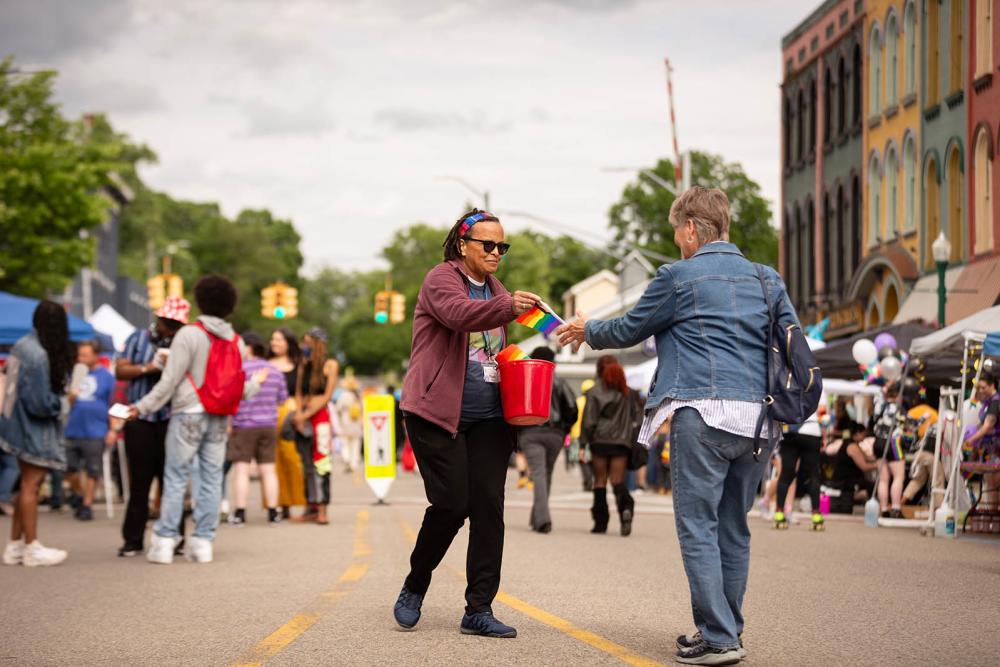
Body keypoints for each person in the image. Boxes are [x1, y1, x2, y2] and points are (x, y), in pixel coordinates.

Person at [557, 187, 798, 664]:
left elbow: (630, 328)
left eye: (676, 233)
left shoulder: (679, 277)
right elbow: (791, 340)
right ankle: (727, 628)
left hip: (702, 413)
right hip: (759, 421)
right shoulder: (767, 279)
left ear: (691, 229)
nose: (676, 242)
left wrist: (588, 329)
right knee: (733, 527)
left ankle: (718, 636)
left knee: (697, 526)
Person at [393, 208, 542, 638]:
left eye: (502, 246)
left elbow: (495, 342)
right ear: (463, 245)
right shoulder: (441, 279)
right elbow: (459, 315)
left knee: (488, 510)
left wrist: (555, 329)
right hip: (438, 412)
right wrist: (506, 306)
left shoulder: (497, 289)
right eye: (488, 245)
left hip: (490, 418)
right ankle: (415, 583)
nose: (497, 253)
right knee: (452, 504)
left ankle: (479, 608)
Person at [129, 275, 266, 565]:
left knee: (176, 476)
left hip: (188, 413)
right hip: (219, 416)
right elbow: (240, 386)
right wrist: (255, 385)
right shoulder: (237, 341)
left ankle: (165, 541)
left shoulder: (189, 334)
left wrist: (140, 407)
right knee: (212, 477)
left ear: (200, 300)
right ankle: (203, 541)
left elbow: (170, 380)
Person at [1, 301, 74, 567]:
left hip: (14, 425)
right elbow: (41, 404)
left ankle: (15, 545)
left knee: (24, 486)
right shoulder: (40, 355)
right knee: (31, 486)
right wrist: (63, 402)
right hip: (34, 430)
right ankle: (31, 546)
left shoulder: (20, 346)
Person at [115, 297, 189, 557]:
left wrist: (174, 368)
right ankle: (133, 540)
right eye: (167, 322)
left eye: (175, 325)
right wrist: (150, 367)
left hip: (171, 419)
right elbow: (120, 370)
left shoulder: (184, 343)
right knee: (140, 482)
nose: (169, 328)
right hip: (140, 420)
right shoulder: (138, 338)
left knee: (172, 481)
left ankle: (175, 537)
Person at [228, 332, 287, 525]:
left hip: (243, 425)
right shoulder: (275, 371)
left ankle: (240, 513)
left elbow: (232, 397)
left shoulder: (239, 369)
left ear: (248, 347)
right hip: (268, 425)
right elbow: (282, 400)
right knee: (269, 470)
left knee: (242, 470)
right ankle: (273, 512)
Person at [519, 346, 577, 534]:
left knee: (538, 474)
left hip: (530, 432)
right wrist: (564, 430)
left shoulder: (525, 378)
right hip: (555, 434)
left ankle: (542, 520)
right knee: (546, 473)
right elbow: (572, 409)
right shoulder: (560, 382)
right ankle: (537, 517)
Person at [579, 355, 638, 537]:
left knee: (600, 481)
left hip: (600, 441)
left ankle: (600, 523)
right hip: (621, 442)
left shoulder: (594, 392)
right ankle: (626, 509)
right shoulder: (630, 394)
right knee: (617, 480)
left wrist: (583, 444)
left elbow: (589, 421)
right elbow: (636, 419)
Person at [63, 341, 115, 521]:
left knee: (93, 470)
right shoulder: (76, 374)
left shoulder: (106, 377)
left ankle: (87, 504)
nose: (81, 358)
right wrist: (71, 396)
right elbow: (68, 403)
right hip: (73, 428)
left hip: (96, 430)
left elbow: (113, 404)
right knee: (68, 468)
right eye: (80, 355)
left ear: (95, 355)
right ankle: (79, 494)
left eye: (85, 354)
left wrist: (113, 429)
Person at [292, 327, 338, 525]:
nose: (305, 346)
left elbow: (326, 396)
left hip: (319, 418)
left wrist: (305, 414)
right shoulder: (304, 363)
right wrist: (299, 414)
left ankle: (322, 509)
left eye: (308, 342)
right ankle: (309, 506)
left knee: (322, 463)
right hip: (303, 417)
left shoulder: (330, 365)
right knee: (306, 464)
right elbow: (298, 392)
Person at [268, 328, 306, 519]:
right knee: (272, 462)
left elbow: (300, 392)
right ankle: (277, 504)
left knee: (292, 459)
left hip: (290, 415)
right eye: (273, 339)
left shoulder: (298, 365)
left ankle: (293, 501)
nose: (274, 343)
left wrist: (299, 415)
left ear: (288, 343)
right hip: (268, 414)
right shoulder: (265, 364)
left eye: (278, 340)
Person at [772, 413, 824, 531]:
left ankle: (779, 513)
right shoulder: (820, 393)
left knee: (786, 473)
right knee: (813, 475)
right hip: (811, 431)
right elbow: (823, 414)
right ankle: (816, 515)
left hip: (790, 429)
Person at [964, 372, 999, 511]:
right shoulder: (988, 402)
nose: (981, 390)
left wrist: (971, 440)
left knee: (993, 483)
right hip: (989, 449)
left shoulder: (996, 402)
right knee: (989, 483)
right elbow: (981, 424)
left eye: (983, 387)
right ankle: (992, 516)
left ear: (992, 385)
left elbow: (988, 425)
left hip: (996, 448)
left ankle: (994, 516)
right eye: (979, 387)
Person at [871, 382, 906, 518]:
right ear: (898, 395)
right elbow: (907, 425)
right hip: (893, 442)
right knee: (898, 476)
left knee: (883, 478)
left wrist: (887, 385)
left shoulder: (879, 404)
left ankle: (884, 509)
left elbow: (879, 392)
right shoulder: (898, 408)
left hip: (878, 441)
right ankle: (896, 508)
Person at [570, 379, 596, 491]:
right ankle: (591, 478)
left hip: (577, 434)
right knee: (591, 458)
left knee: (582, 459)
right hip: (593, 434)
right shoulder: (595, 402)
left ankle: (587, 479)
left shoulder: (578, 400)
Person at [335, 376, 363, 473]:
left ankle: (347, 459)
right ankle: (354, 463)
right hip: (356, 424)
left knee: (345, 443)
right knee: (356, 444)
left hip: (346, 422)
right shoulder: (358, 396)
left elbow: (338, 408)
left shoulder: (344, 395)